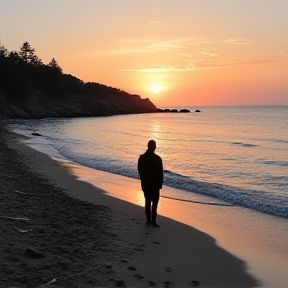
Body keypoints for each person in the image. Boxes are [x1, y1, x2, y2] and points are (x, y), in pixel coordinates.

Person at [138, 140, 163, 227]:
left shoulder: (141, 157)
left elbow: (140, 171)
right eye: (155, 146)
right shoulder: (158, 159)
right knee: (155, 203)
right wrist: (160, 185)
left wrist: (143, 181)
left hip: (146, 184)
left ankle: (148, 219)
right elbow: (160, 173)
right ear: (154, 147)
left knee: (147, 201)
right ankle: (153, 221)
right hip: (155, 185)